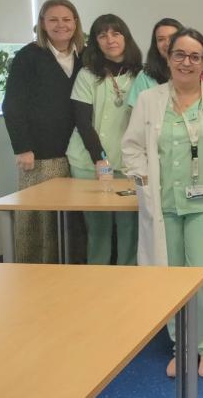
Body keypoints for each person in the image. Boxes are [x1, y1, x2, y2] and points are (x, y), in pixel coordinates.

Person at [121, 28, 203, 378]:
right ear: (168, 59)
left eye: (195, 56)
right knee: (169, 276)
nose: (187, 62)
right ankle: (180, 345)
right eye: (179, 55)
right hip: (165, 202)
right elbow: (131, 147)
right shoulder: (149, 100)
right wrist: (143, 181)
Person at [2, 0, 86, 263]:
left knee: (74, 221)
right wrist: (23, 148)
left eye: (66, 19)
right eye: (53, 19)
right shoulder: (29, 56)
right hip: (40, 155)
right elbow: (12, 104)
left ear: (75, 23)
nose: (61, 25)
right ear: (42, 24)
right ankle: (34, 275)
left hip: (78, 153)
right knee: (40, 221)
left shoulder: (84, 56)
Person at [66, 14, 142, 266]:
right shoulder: (87, 75)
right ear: (96, 41)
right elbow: (82, 122)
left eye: (116, 33)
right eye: (102, 35)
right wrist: (100, 159)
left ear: (125, 37)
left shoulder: (139, 75)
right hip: (90, 163)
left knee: (129, 230)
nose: (110, 40)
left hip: (127, 163)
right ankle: (96, 287)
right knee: (98, 230)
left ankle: (127, 284)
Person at [126, 18, 183, 107]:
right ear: (156, 45)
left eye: (172, 38)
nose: (167, 43)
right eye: (161, 39)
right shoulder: (145, 77)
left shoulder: (196, 72)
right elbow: (138, 115)